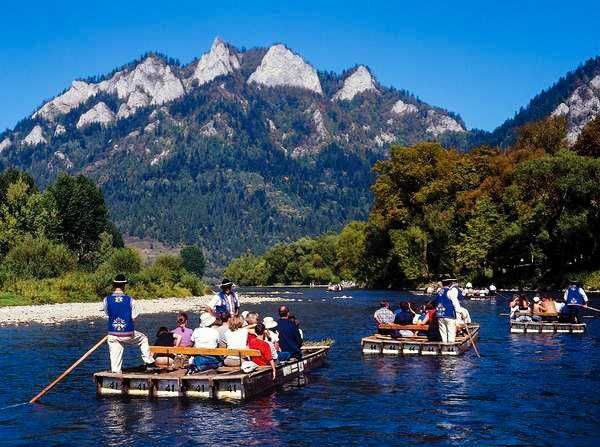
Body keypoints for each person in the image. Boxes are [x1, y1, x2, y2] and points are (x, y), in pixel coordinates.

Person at [102, 274, 156, 373]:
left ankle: (116, 373)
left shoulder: (106, 300)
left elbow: (108, 314)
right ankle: (149, 362)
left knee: (115, 360)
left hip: (112, 333)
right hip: (127, 333)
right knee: (143, 339)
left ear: (114, 285)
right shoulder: (131, 300)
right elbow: (134, 317)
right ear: (124, 286)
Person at [434, 278, 464, 343]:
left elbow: (435, 303)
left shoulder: (438, 292)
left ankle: (444, 347)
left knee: (443, 334)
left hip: (440, 315)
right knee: (451, 333)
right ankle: (450, 348)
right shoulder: (450, 292)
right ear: (450, 284)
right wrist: (460, 313)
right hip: (449, 315)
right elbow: (455, 303)